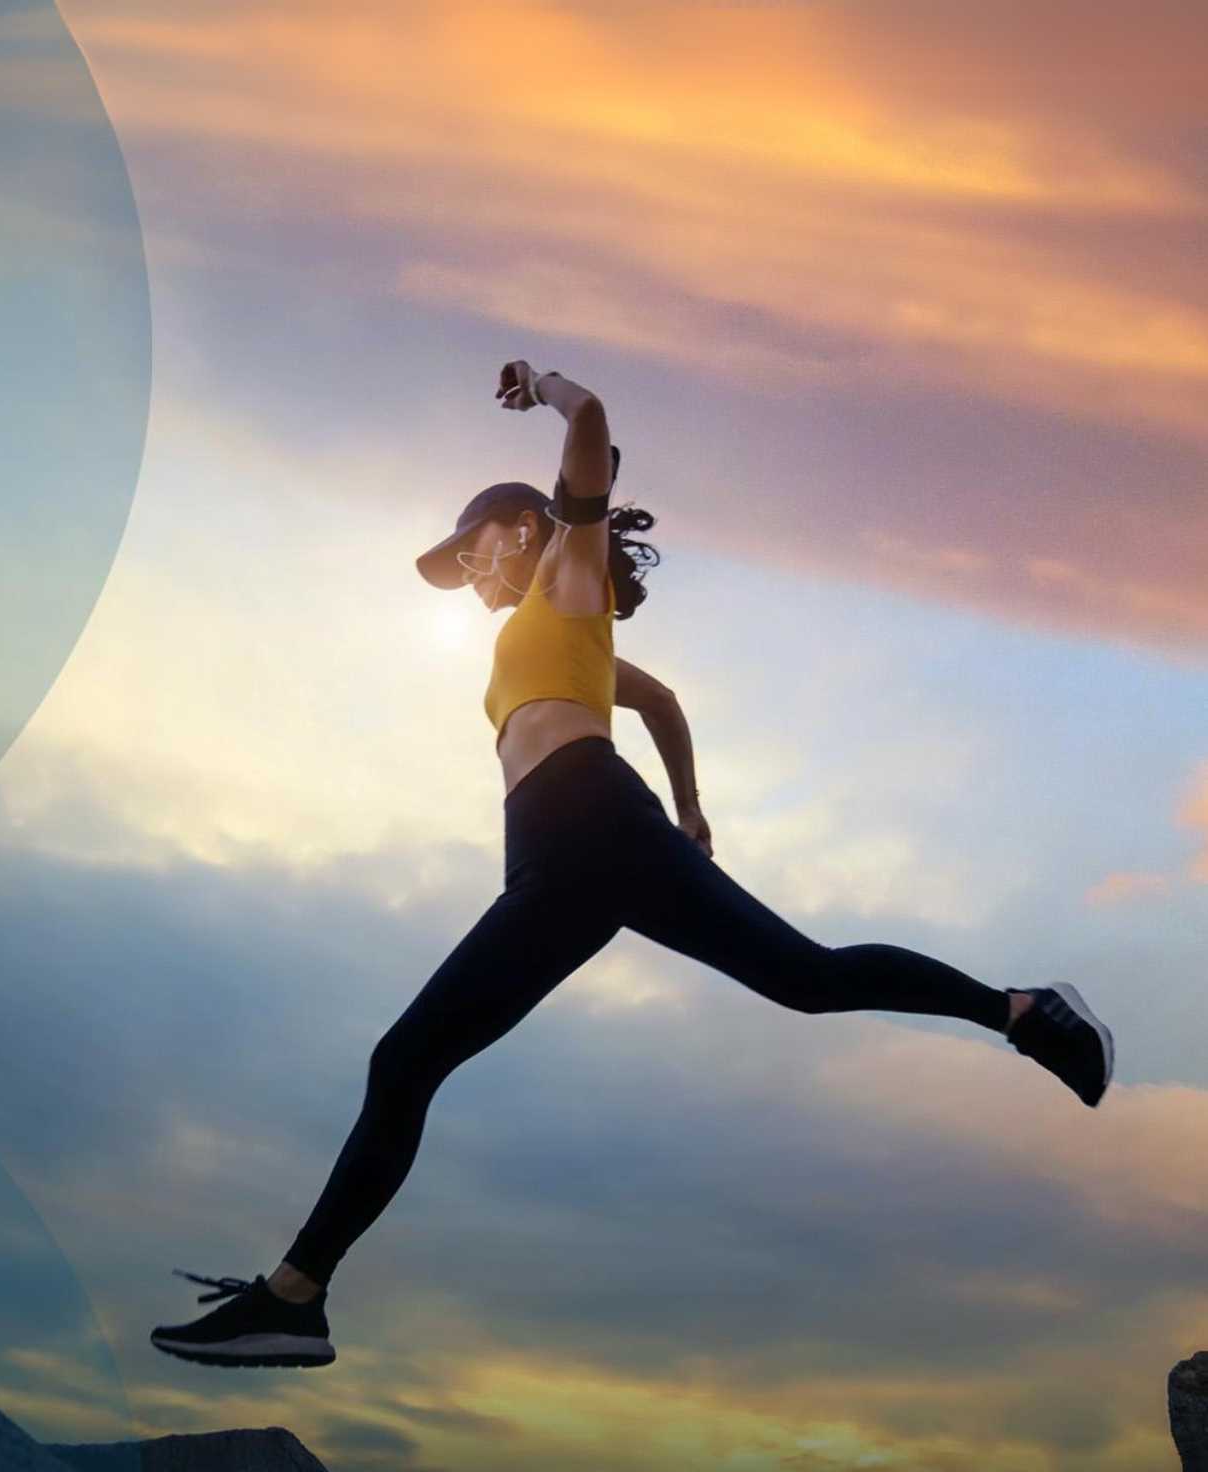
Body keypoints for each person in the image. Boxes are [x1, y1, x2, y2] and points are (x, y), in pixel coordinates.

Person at [152, 361, 1114, 1372]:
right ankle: (1020, 1011)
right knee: (805, 980)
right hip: (568, 856)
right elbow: (658, 705)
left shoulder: (567, 574)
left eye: (472, 554)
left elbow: (597, 423)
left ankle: (295, 1299)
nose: (472, 579)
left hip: (586, 827)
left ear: (523, 531)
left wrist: (548, 387)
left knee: (408, 1062)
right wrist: (692, 808)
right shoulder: (560, 630)